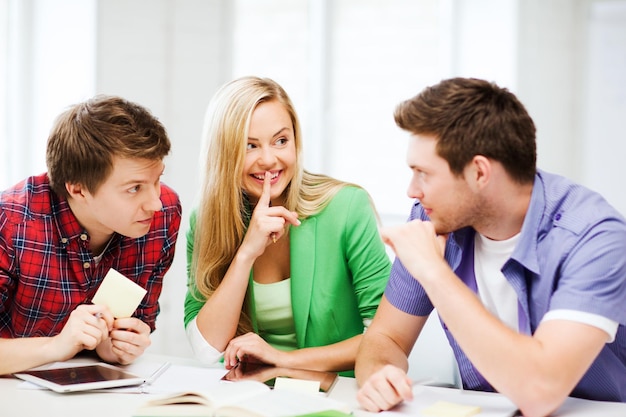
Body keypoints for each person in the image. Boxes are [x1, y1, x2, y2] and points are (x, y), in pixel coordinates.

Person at [355, 77, 626, 417]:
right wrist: (380, 375)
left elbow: (541, 393)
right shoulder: (431, 221)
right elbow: (386, 338)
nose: (412, 191)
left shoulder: (594, 238)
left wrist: (434, 273)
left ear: (479, 172)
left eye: (423, 173)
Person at [184, 76, 391, 375]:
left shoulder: (346, 207)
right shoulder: (206, 220)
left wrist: (282, 360)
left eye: (281, 141)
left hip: (335, 391)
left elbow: (386, 338)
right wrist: (246, 255)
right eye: (250, 146)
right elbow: (206, 350)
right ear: (225, 153)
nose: (269, 159)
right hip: (253, 394)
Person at [0, 95, 182, 375]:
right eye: (134, 188)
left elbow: (141, 321)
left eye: (157, 180)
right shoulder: (11, 222)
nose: (155, 202)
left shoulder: (164, 214)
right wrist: (57, 346)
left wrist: (116, 348)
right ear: (78, 189)